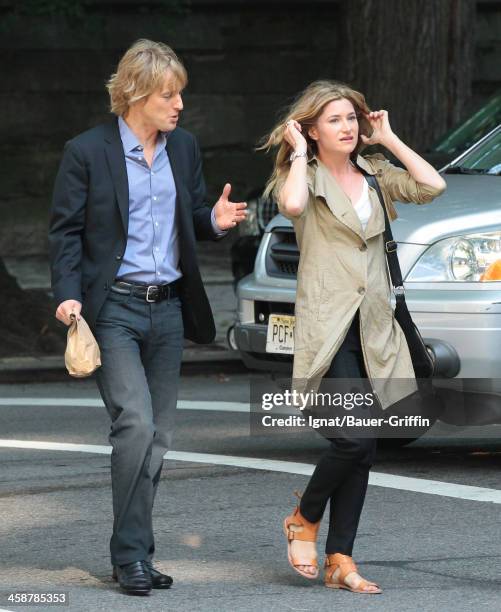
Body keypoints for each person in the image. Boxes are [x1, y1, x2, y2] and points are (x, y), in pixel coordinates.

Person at [48, 39, 247, 596]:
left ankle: (136, 552)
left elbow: (191, 217)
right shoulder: (86, 151)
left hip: (169, 311)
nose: (179, 103)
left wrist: (215, 218)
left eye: (180, 93)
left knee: (157, 438)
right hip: (113, 309)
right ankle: (130, 556)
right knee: (134, 425)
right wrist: (67, 294)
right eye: (168, 94)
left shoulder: (182, 148)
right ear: (136, 94)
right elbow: (64, 231)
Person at [261, 80, 446, 594]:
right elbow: (293, 206)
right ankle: (303, 516)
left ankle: (341, 558)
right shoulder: (307, 177)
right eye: (334, 120)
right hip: (331, 326)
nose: (346, 127)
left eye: (351, 118)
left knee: (365, 448)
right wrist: (298, 153)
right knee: (353, 438)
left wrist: (389, 139)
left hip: (374, 326)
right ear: (312, 129)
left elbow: (433, 187)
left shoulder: (375, 173)